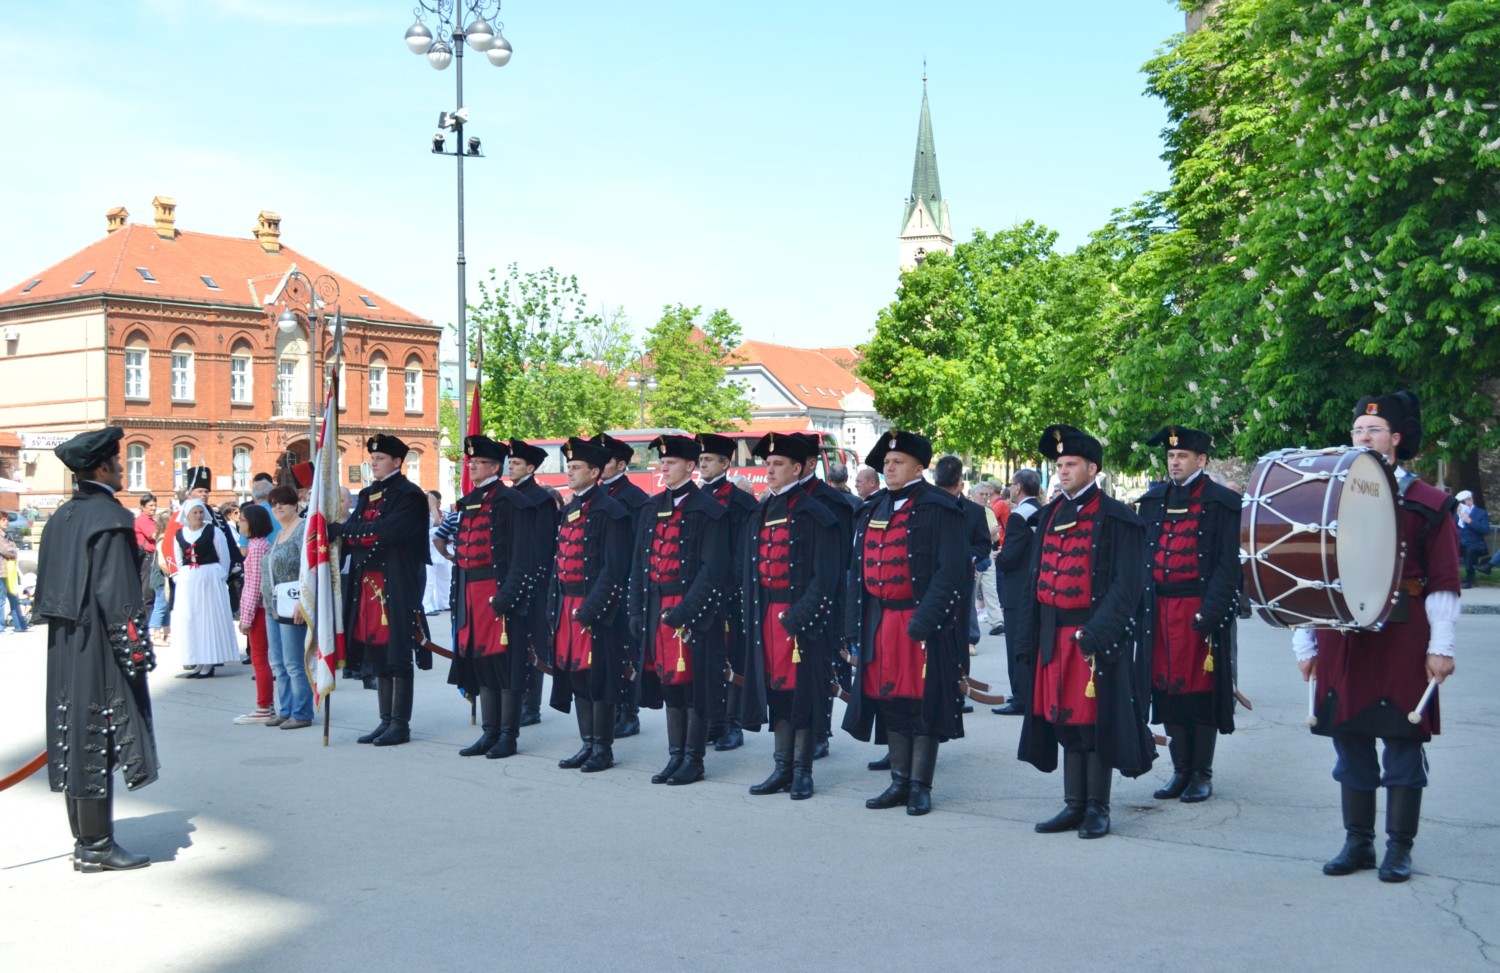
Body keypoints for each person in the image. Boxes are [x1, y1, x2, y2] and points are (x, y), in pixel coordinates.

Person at [1295, 391, 1458, 883]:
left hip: (1404, 635)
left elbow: (1445, 581)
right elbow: (1307, 571)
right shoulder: (1329, 495)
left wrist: (1442, 646)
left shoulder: (1429, 503)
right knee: (1349, 739)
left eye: (1374, 430)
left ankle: (1398, 848)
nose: (1363, 437)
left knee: (1403, 740)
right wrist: (1305, 642)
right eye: (1358, 431)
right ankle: (1358, 843)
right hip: (1344, 634)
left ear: (1396, 439)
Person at [34, 426, 160, 871]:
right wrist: (136, 653)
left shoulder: (62, 517)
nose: (123, 467)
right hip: (99, 643)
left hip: (66, 643)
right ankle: (97, 846)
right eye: (119, 461)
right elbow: (119, 594)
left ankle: (87, 841)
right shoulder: (109, 516)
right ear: (102, 466)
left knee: (74, 731)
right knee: (98, 734)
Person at [1019, 425, 1153, 840]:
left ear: (1092, 468)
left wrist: (1097, 634)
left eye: (1071, 464)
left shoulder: (1118, 518)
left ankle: (1098, 807)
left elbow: (1127, 586)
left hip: (1094, 638)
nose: (1062, 471)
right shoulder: (1047, 516)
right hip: (1052, 637)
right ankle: (1073, 804)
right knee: (1063, 721)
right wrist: (1028, 636)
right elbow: (1034, 581)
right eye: (1058, 465)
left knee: (1095, 724)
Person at [843, 431, 967, 816]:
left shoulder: (940, 507)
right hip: (880, 620)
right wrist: (852, 625)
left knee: (922, 704)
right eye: (886, 463)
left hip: (922, 623)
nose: (889, 468)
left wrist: (925, 621)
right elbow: (855, 572)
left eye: (897, 462)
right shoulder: (870, 508)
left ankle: (920, 785)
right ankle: (898, 780)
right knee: (891, 701)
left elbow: (952, 572)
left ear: (919, 466)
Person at [1136, 425, 1241, 804]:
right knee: (1167, 693)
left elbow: (1230, 566)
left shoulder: (1222, 502)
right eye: (1170, 456)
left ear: (1201, 460)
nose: (1174, 462)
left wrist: (1210, 614)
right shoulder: (1152, 501)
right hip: (1159, 613)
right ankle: (1180, 772)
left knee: (1200, 694)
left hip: (1198, 612)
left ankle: (1202, 774)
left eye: (1181, 456)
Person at [739, 432, 841, 800]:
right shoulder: (760, 511)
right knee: (777, 694)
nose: (769, 470)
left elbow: (825, 577)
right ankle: (781, 767)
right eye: (767, 464)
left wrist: (797, 617)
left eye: (777, 464)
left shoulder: (816, 514)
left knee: (803, 696)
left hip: (799, 620)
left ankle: (803, 772)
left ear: (797, 468)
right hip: (765, 615)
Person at [630, 434, 730, 786]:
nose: (663, 467)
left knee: (693, 687)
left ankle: (694, 759)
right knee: (670, 684)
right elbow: (639, 564)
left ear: (690, 466)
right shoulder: (651, 507)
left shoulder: (709, 510)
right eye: (662, 461)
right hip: (657, 605)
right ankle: (675, 755)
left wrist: (685, 612)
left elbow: (713, 569)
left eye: (670, 462)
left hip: (691, 612)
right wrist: (637, 610)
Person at [325, 435, 431, 747]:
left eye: (381, 458)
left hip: (395, 582)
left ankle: (401, 724)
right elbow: (362, 530)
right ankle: (385, 720)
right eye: (372, 458)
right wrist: (350, 534)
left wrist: (347, 531)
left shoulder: (409, 495)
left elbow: (386, 533)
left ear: (398, 462)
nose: (374, 462)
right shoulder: (368, 493)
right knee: (377, 652)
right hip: (367, 583)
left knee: (397, 653)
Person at [445, 436, 542, 759]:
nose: (471, 466)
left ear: (494, 467)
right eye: (469, 462)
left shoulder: (512, 502)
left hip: (498, 596)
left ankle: (508, 736)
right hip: (471, 596)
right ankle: (489, 732)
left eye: (477, 462)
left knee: (506, 667)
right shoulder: (469, 500)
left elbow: (523, 556)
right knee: (482, 664)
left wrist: (507, 598)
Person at [546, 437, 633, 772]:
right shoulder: (569, 509)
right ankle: (587, 743)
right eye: (568, 466)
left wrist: (592, 609)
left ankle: (603, 748)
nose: (569, 472)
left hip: (597, 611)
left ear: (595, 471)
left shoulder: (612, 512)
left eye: (576, 467)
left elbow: (614, 568)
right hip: (568, 606)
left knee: (600, 678)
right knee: (577, 678)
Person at [696, 433, 759, 752]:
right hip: (702, 594)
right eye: (701, 459)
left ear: (725, 463)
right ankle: (713, 721)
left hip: (731, 595)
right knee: (707, 661)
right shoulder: (693, 498)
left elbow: (744, 554)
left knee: (733, 659)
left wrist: (732, 589)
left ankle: (733, 724)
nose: (702, 464)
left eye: (709, 460)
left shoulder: (741, 501)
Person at [596, 433, 651, 739]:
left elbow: (638, 548)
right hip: (601, 585)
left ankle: (629, 712)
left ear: (620, 464)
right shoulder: (595, 497)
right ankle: (612, 707)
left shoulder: (635, 499)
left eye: (605, 461)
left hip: (625, 584)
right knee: (606, 652)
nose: (599, 467)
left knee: (626, 651)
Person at [507, 439, 560, 727]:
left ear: (530, 467)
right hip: (514, 579)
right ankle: (517, 700)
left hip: (534, 582)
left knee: (532, 642)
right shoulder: (510, 495)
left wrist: (533, 580)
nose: (510, 467)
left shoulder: (539, 498)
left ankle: (532, 706)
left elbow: (542, 545)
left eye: (515, 463)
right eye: (510, 462)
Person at [261, 487, 316, 729]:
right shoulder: (281, 533)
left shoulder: (302, 529)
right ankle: (285, 709)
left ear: (296, 504)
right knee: (278, 662)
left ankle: (301, 712)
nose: (278, 507)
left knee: (294, 662)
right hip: (273, 604)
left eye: (283, 503)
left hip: (292, 602)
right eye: (274, 504)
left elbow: (310, 568)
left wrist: (303, 601)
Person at [171, 498, 241, 678]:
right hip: (189, 582)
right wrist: (182, 576)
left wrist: (219, 575)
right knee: (191, 620)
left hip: (209, 579)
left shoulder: (214, 531)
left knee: (208, 619)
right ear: (187, 514)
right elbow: (179, 560)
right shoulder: (179, 534)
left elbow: (223, 556)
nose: (198, 515)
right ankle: (197, 660)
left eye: (201, 512)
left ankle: (209, 661)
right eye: (195, 512)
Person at [992, 469, 1042, 716]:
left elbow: (1010, 556)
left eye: (1012, 484)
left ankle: (1021, 698)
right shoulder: (1041, 511)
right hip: (1036, 584)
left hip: (1017, 588)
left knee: (1016, 645)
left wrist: (999, 557)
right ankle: (1031, 693)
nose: (1010, 488)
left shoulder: (1018, 516)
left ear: (1019, 488)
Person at [934, 457, 989, 662]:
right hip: (931, 579)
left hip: (962, 578)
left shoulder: (974, 511)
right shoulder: (924, 508)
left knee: (960, 623)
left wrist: (968, 557)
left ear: (960, 485)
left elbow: (984, 545)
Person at [233, 504, 276, 724]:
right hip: (260, 609)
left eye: (243, 519)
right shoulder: (259, 544)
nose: (239, 522)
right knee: (261, 658)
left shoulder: (257, 547)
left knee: (259, 658)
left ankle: (263, 706)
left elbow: (254, 586)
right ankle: (265, 705)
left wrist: (246, 618)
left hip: (258, 610)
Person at [422, 490, 453, 615]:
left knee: (445, 577)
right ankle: (426, 606)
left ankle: (444, 603)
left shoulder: (441, 512)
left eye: (439, 502)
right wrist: (432, 505)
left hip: (440, 549)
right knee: (429, 581)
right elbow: (436, 523)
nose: (438, 504)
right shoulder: (424, 511)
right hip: (429, 550)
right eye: (436, 502)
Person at [1454, 490, 1489, 589]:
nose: (1460, 505)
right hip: (1459, 541)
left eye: (1462, 502)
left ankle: (1469, 578)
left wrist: (1470, 521)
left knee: (1470, 550)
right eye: (1459, 502)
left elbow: (1485, 529)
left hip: (1475, 543)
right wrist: (1457, 516)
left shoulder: (1481, 513)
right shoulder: (1456, 513)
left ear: (1470, 500)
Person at [0, 511, 27, 633]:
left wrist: (12, 551)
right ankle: (1, 626)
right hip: (1, 572)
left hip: (10, 572)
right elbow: (7, 551)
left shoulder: (7, 536)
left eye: (7, 520)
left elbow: (14, 550)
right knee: (1, 600)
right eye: (3, 520)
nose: (6, 522)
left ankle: (19, 625)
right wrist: (12, 551)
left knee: (15, 598)